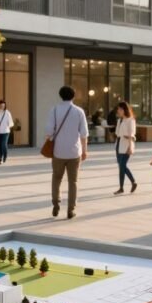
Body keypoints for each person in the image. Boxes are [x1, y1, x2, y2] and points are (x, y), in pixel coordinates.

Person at [46, 86, 88, 218]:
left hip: (58, 151)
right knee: (73, 181)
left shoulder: (54, 110)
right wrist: (85, 150)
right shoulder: (79, 111)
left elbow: (48, 132)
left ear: (60, 95)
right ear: (73, 96)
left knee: (56, 178)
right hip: (74, 152)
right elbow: (84, 134)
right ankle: (71, 209)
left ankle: (56, 204)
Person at [113, 102, 138, 195]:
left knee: (122, 166)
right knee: (121, 166)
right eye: (118, 109)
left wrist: (130, 147)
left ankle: (132, 182)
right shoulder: (120, 120)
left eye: (119, 109)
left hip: (127, 145)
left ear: (124, 110)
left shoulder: (130, 120)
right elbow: (117, 133)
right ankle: (122, 187)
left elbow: (132, 135)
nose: (118, 111)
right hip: (119, 144)